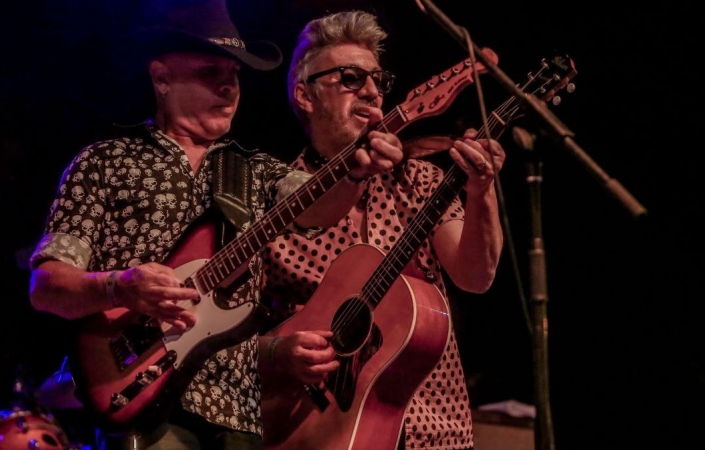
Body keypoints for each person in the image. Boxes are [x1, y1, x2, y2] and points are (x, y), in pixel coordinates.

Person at [26, 1, 403, 449]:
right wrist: (119, 287)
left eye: (235, 75)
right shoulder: (104, 162)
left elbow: (317, 208)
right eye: (211, 72)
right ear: (162, 77)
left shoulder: (257, 170)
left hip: (235, 408)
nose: (229, 87)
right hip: (138, 396)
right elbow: (46, 286)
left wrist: (356, 171)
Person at [258, 10, 506, 450]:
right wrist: (279, 353)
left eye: (378, 80)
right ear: (305, 95)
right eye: (351, 78)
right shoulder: (274, 199)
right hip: (318, 433)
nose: (372, 92)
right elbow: (229, 336)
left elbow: (475, 277)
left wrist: (481, 190)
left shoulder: (421, 180)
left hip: (436, 429)